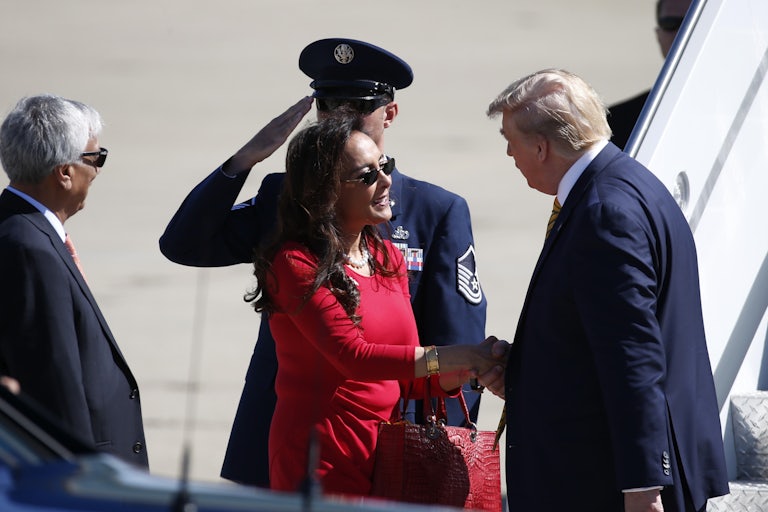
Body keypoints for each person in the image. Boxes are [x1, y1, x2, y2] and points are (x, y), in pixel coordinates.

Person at [158, 38, 487, 487]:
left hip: (393, 442)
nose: (340, 117)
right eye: (328, 104)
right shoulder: (284, 201)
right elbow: (185, 245)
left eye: (358, 107)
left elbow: (451, 337)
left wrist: (448, 446)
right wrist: (245, 160)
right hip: (305, 446)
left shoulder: (430, 214)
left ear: (389, 113)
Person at [483, 69, 728, 511]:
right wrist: (525, 370)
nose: (507, 153)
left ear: (540, 148)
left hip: (605, 484)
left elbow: (633, 355)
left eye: (509, 140)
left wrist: (642, 485)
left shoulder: (604, 213)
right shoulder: (631, 183)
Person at [248, 114, 498, 496]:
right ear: (326, 192)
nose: (386, 181)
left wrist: (467, 368)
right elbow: (354, 357)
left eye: (386, 166)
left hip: (387, 457)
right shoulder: (295, 263)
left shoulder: (387, 257)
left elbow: (410, 377)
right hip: (320, 459)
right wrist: (455, 354)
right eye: (367, 176)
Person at [0, 94, 148, 468]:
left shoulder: (21, 230)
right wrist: (82, 478)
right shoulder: (29, 249)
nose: (97, 171)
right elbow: (53, 382)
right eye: (95, 158)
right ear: (64, 172)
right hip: (80, 472)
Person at [608, 0, 693, 149]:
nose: (682, 32)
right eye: (670, 23)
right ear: (658, 36)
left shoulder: (738, 111)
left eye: (693, 22)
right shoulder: (614, 125)